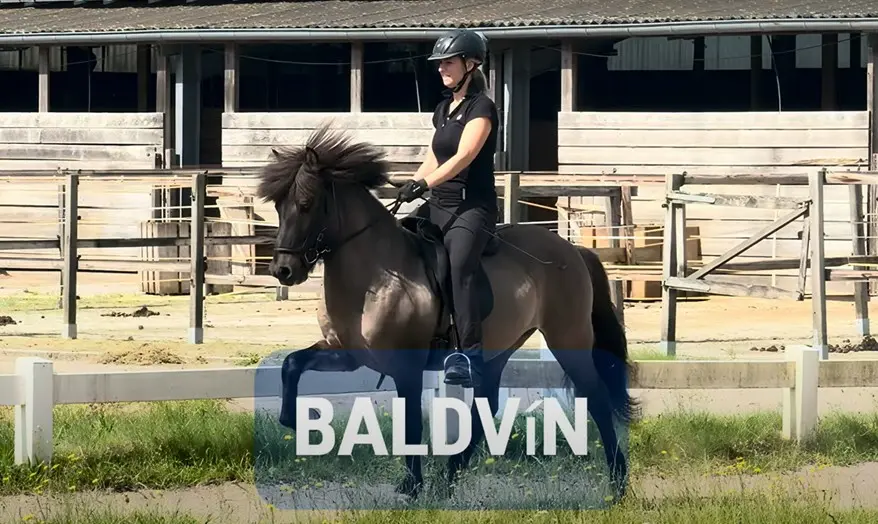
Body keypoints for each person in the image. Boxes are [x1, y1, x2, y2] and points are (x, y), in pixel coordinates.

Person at [396, 28, 499, 389]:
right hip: (438, 204)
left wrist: (426, 184)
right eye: (440, 63)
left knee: (459, 265)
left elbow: (464, 155)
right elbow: (434, 156)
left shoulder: (481, 107)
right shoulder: (443, 108)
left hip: (472, 207)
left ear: (471, 65)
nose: (442, 68)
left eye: (449, 62)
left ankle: (470, 357)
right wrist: (410, 184)